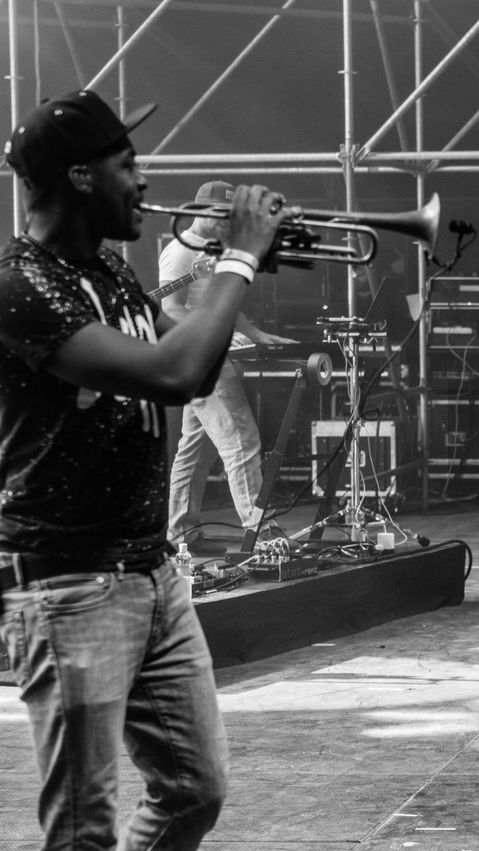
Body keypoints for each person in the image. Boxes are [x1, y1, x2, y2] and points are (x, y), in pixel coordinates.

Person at [0, 89, 293, 849]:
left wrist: (246, 268)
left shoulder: (110, 272)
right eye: (128, 164)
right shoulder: (20, 285)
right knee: (82, 827)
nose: (146, 182)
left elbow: (196, 368)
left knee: (195, 789)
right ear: (82, 177)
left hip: (153, 573)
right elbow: (169, 372)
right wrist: (236, 256)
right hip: (72, 585)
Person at [161, 180, 295, 547]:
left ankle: (180, 533)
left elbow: (226, 303)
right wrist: (211, 335)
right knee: (241, 439)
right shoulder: (180, 251)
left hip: (212, 356)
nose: (226, 223)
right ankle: (262, 531)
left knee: (196, 450)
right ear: (200, 210)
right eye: (220, 215)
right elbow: (170, 309)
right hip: (205, 359)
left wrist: (254, 333)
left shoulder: (215, 249)